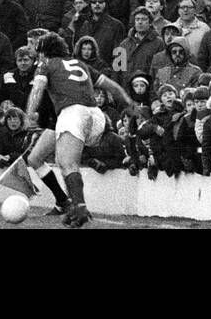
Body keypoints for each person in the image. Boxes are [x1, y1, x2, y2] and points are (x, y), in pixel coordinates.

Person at [20, 31, 133, 228]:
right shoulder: (82, 64)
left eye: (37, 50)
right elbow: (112, 86)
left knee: (66, 163)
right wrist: (130, 104)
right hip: (94, 114)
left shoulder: (45, 65)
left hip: (72, 113)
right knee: (35, 158)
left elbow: (37, 90)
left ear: (44, 52)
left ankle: (79, 208)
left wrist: (29, 115)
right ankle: (65, 202)